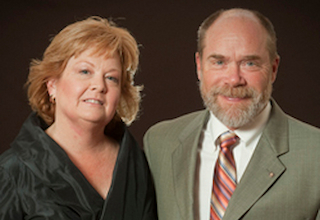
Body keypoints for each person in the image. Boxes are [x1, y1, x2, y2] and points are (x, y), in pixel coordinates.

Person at [143, 8, 320, 220]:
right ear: (199, 66)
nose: (234, 79)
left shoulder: (315, 155)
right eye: (219, 62)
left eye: (250, 63)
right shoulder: (160, 142)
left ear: (273, 69)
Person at [0, 16, 157, 219]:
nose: (99, 86)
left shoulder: (140, 164)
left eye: (111, 77)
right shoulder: (12, 172)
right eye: (85, 71)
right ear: (52, 85)